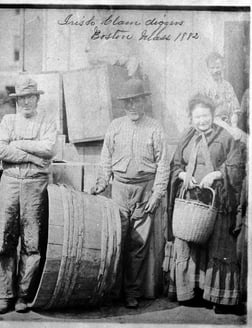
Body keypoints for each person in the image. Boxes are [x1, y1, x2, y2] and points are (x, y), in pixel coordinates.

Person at [91, 79, 170, 309]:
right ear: (123, 105)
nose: (133, 106)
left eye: (137, 101)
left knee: (138, 245)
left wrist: (157, 194)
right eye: (128, 102)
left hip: (145, 191)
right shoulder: (115, 126)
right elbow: (105, 160)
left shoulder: (155, 128)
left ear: (145, 101)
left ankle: (132, 292)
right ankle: (111, 290)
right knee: (115, 240)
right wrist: (101, 182)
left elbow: (163, 164)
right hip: (119, 190)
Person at [168, 94, 245, 314]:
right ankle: (192, 293)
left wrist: (216, 175)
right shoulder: (186, 137)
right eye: (197, 117)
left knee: (218, 245)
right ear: (191, 118)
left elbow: (236, 166)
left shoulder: (226, 138)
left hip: (216, 201)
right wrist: (183, 175)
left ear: (212, 115)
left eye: (206, 115)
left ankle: (220, 297)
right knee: (189, 244)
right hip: (191, 202)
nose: (202, 120)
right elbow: (176, 164)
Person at [0, 77, 57, 314]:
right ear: (17, 100)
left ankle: (23, 295)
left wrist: (17, 144)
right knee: (4, 239)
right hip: (9, 182)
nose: (26, 102)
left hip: (34, 185)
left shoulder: (47, 120)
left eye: (30, 97)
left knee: (32, 242)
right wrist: (31, 155)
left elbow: (49, 149)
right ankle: (4, 295)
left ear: (37, 98)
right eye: (21, 98)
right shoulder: (8, 120)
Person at [201, 52, 241, 129]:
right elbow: (202, 111)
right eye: (212, 68)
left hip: (228, 123)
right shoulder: (205, 87)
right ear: (208, 69)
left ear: (223, 67)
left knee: (243, 138)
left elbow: (234, 109)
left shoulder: (227, 86)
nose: (215, 71)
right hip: (211, 124)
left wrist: (234, 126)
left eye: (218, 67)